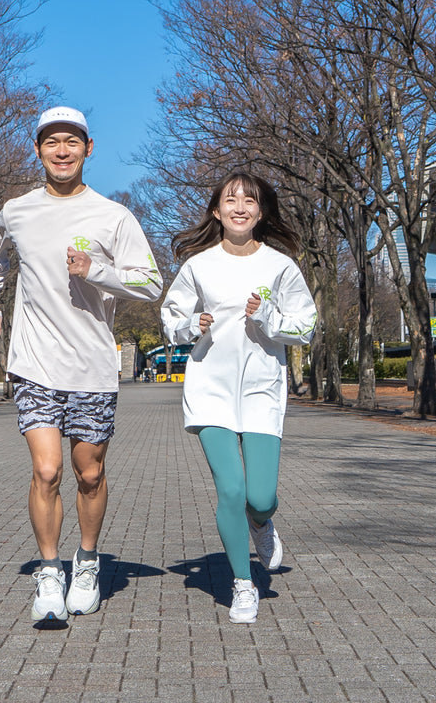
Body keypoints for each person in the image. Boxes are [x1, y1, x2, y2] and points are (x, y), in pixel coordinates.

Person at [0, 106, 162, 622]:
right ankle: (49, 571)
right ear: (38, 150)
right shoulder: (16, 211)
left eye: (72, 142)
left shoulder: (113, 216)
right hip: (35, 362)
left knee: (90, 474)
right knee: (46, 468)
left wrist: (96, 270)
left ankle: (87, 560)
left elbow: (150, 284)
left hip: (92, 367)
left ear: (89, 149)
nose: (62, 151)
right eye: (52, 142)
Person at [161, 171, 316, 624]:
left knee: (261, 496)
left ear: (261, 211)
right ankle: (242, 585)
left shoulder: (280, 266)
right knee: (231, 489)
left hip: (262, 390)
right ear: (216, 211)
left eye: (250, 200)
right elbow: (171, 319)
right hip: (210, 387)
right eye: (231, 200)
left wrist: (268, 316)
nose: (240, 207)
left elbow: (305, 326)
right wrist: (193, 326)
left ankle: (262, 524)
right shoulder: (198, 265)